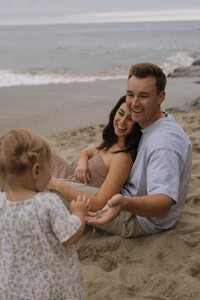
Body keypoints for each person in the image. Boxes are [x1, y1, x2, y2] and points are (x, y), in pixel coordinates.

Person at [85, 62, 192, 237]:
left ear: (161, 97)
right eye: (130, 94)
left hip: (138, 219)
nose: (134, 103)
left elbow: (163, 204)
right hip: (128, 201)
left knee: (52, 187)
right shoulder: (156, 122)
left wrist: (124, 203)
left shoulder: (163, 143)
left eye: (143, 96)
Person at [0, 129, 90, 299]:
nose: (51, 172)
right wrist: (78, 214)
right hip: (51, 286)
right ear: (36, 171)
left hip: (13, 286)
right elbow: (69, 236)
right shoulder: (48, 203)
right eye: (50, 167)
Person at [48, 95, 142, 211]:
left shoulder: (122, 158)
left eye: (130, 119)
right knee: (41, 151)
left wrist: (57, 185)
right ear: (115, 113)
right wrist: (82, 163)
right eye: (121, 113)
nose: (122, 121)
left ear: (137, 124)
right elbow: (86, 153)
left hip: (77, 193)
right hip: (72, 177)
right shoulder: (113, 142)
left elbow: (100, 204)